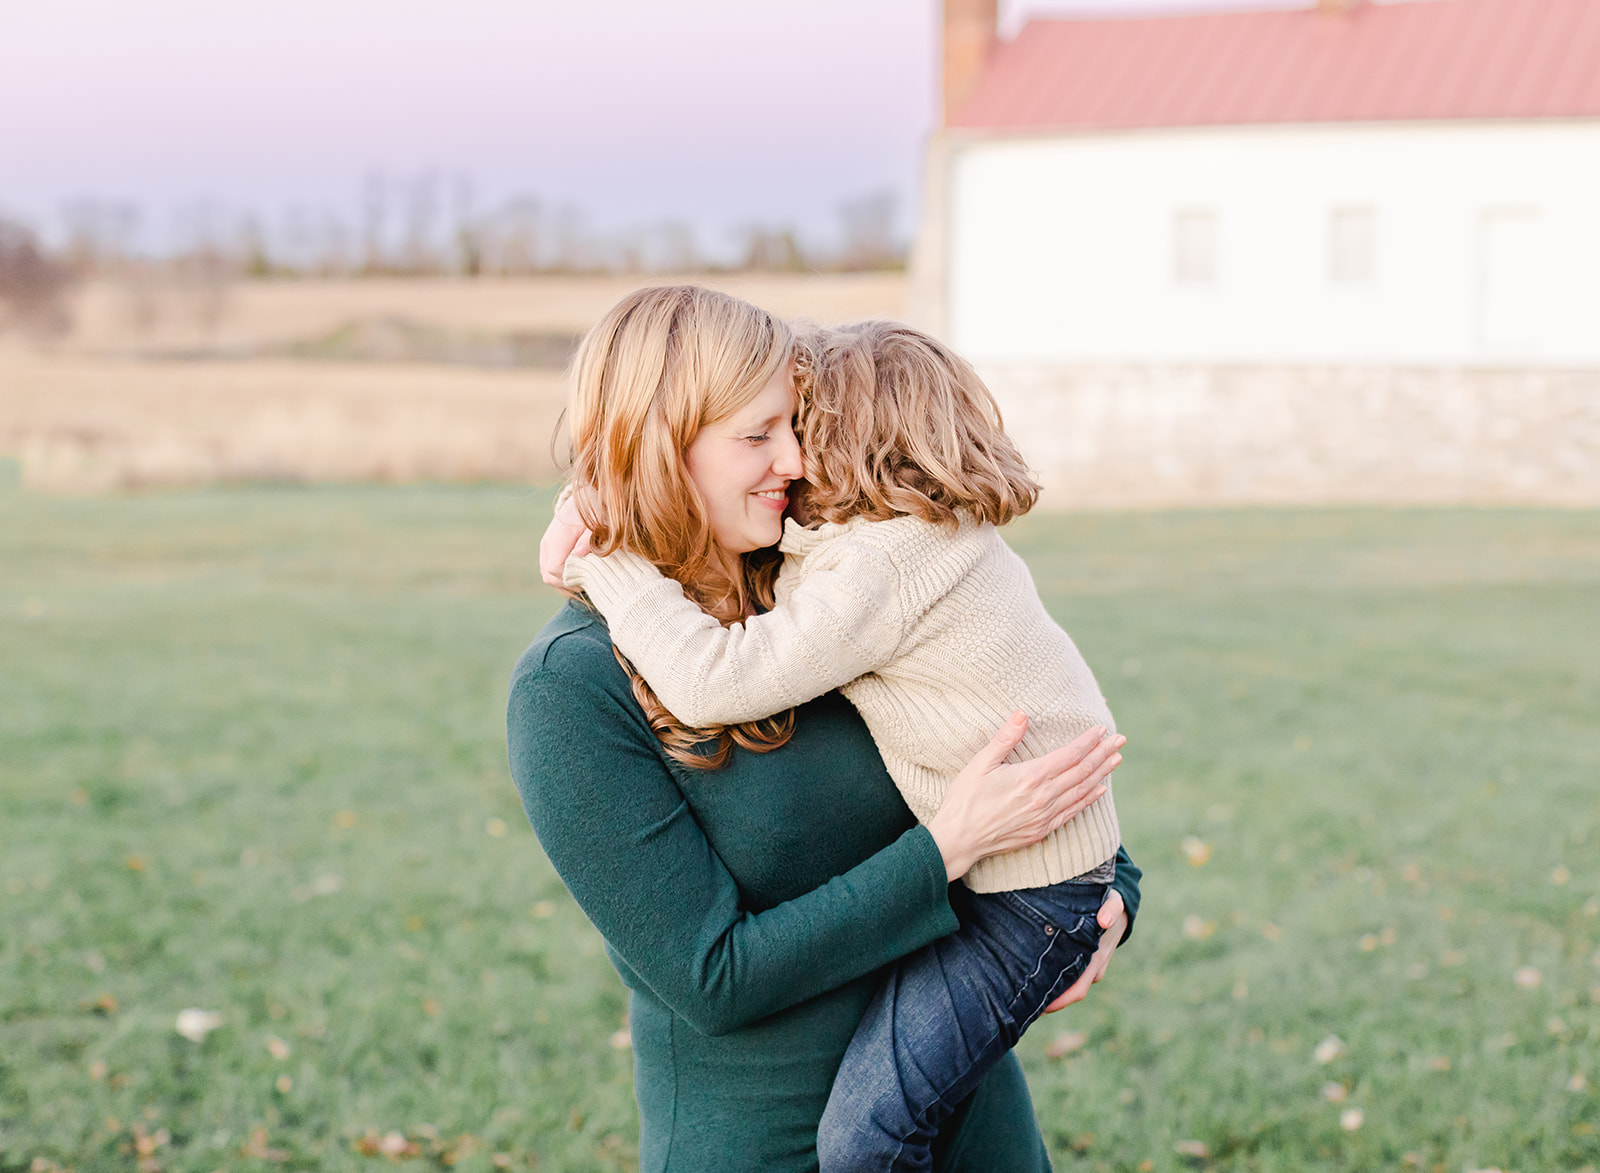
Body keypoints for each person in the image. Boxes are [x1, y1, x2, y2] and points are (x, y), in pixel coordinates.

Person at [509, 285, 1141, 1173]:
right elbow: (713, 978)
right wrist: (946, 850)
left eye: (796, 425)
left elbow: (1018, 741)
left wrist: (1110, 903)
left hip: (974, 1124)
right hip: (775, 1147)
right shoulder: (571, 685)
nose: (798, 460)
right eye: (759, 434)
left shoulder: (829, 581)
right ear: (660, 445)